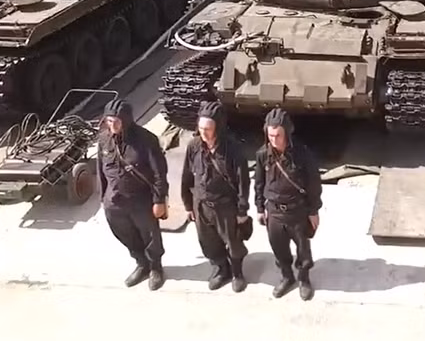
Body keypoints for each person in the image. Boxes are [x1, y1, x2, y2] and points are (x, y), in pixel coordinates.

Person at [97, 98, 169, 291]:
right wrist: (103, 197)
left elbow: (159, 173)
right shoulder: (104, 139)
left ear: (126, 120)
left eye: (116, 121)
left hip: (140, 199)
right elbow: (101, 169)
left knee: (150, 235)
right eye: (109, 121)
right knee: (125, 234)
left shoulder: (146, 140)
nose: (112, 126)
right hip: (114, 200)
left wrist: (159, 200)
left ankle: (155, 267)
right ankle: (141, 263)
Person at [181, 101, 252, 292]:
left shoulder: (233, 149)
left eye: (208, 129)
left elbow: (243, 182)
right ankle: (221, 269)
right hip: (201, 205)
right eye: (201, 128)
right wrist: (188, 205)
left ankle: (237, 272)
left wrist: (242, 210)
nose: (203, 133)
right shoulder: (194, 146)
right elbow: (187, 176)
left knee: (233, 242)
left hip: (226, 206)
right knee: (208, 242)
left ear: (218, 128)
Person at [253, 108, 323, 301]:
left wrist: (313, 210)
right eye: (270, 136)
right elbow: (259, 182)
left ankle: (303, 279)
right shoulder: (263, 155)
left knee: (303, 249)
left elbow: (313, 183)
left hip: (297, 211)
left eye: (278, 136)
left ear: (287, 133)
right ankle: (286, 277)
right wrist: (259, 208)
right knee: (279, 248)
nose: (274, 140)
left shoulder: (302, 154)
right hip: (274, 211)